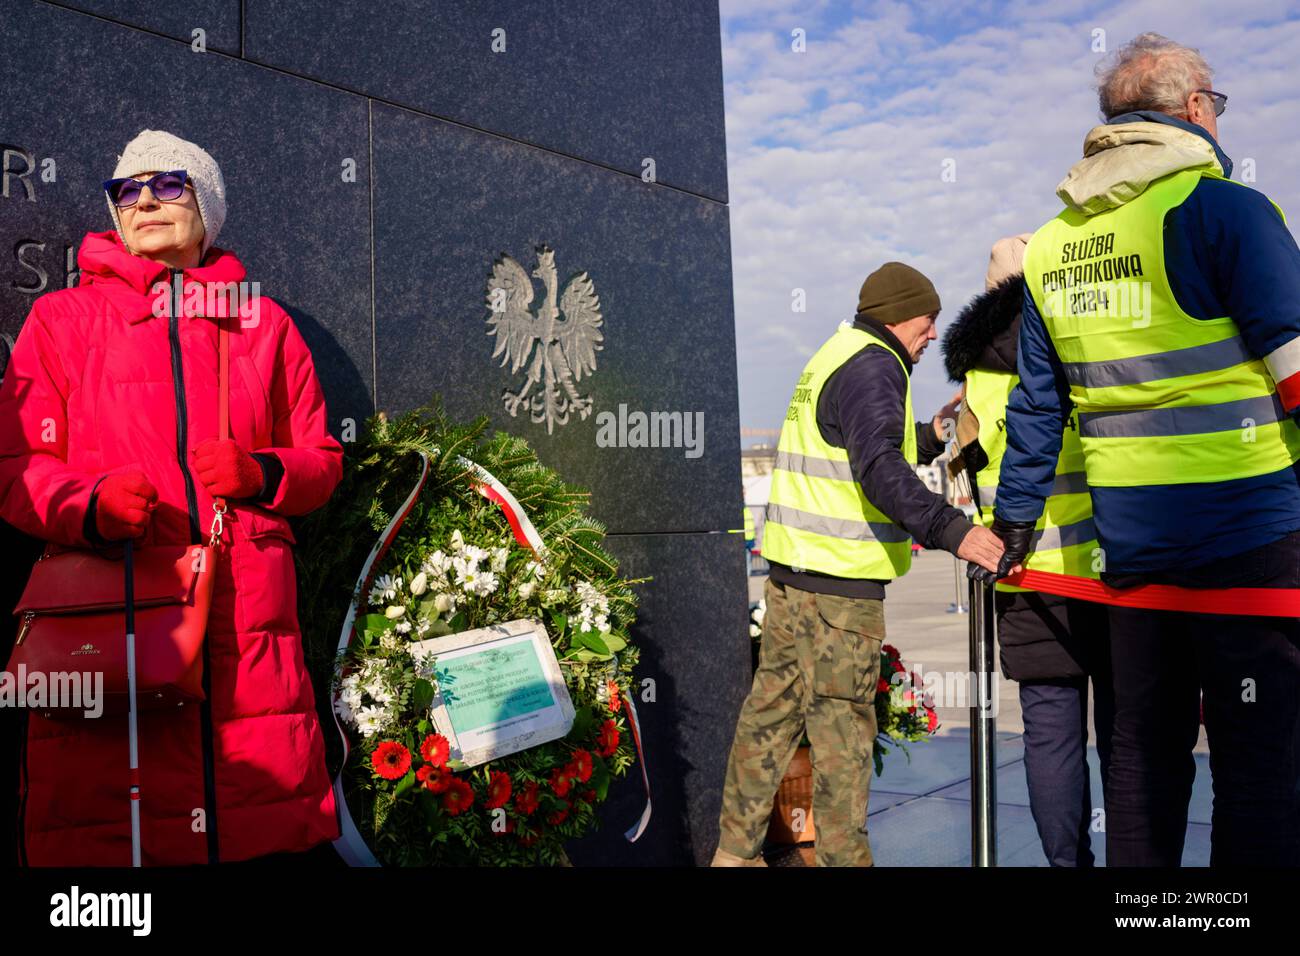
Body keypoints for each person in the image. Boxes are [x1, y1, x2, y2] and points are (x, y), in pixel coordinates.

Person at [985, 34, 1300, 866]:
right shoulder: (1224, 209)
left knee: (1143, 759)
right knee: (1259, 765)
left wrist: (1014, 521)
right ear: (1195, 109)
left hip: (1133, 555)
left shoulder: (1052, 247)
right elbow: (1297, 369)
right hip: (1250, 539)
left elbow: (1036, 409)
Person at [0, 129, 343, 865]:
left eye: (169, 184)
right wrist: (86, 504)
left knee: (257, 835)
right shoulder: (61, 322)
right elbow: (19, 465)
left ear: (207, 207)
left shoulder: (264, 326)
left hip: (247, 638)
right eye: (127, 189)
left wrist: (260, 473)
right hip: (113, 619)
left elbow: (321, 459)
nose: (146, 200)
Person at [712, 261, 1009, 867]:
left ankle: (732, 856)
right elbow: (877, 468)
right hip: (839, 597)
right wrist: (954, 530)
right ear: (901, 317)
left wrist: (932, 432)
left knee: (767, 723)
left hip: (792, 586)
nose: (932, 336)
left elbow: (858, 441)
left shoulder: (837, 353)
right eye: (928, 324)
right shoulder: (877, 366)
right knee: (842, 742)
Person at [943, 235, 1112, 866]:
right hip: (1109, 567)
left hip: (1023, 576)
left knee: (1050, 738)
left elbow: (971, 468)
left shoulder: (975, 378)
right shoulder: (1076, 335)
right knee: (1128, 734)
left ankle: (1068, 864)